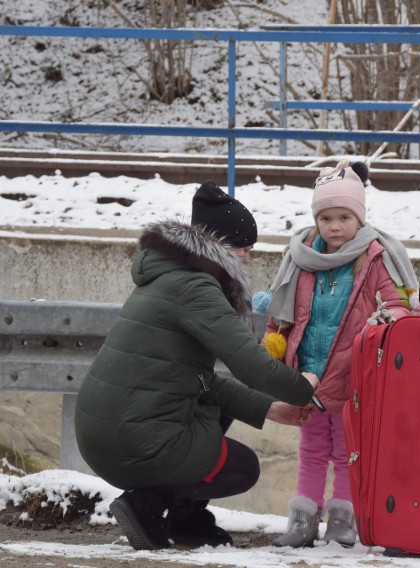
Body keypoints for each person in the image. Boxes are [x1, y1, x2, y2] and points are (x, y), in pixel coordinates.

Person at [74, 180, 320, 551]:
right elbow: (249, 364)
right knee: (242, 467)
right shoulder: (196, 288)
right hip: (133, 442)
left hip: (103, 434)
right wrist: (306, 388)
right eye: (243, 249)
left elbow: (201, 382)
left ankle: (187, 521)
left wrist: (271, 409)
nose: (247, 259)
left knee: (210, 407)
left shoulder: (165, 278)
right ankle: (148, 505)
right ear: (220, 248)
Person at [256, 160, 420, 548]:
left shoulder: (374, 258)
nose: (334, 226)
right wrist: (276, 349)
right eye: (326, 217)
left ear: (359, 218)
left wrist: (387, 317)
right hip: (308, 373)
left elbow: (398, 303)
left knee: (349, 451)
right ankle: (303, 517)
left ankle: (344, 516)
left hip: (352, 376)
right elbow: (283, 311)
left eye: (344, 217)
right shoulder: (301, 257)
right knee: (312, 448)